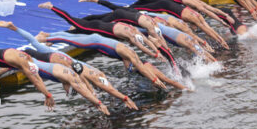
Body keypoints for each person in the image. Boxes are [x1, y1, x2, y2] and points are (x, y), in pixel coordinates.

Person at [0, 20, 139, 110]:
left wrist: (95, 94)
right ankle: (0, 67)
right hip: (57, 61)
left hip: (57, 59)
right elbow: (83, 82)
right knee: (22, 60)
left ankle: (15, 29)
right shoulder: (86, 74)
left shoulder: (88, 71)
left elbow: (83, 79)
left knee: (33, 46)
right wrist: (95, 98)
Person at [39, 31, 189, 90]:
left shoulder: (132, 58)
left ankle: (49, 37)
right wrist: (155, 78)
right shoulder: (138, 62)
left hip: (100, 42)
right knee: (75, 41)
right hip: (98, 42)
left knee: (76, 36)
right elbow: (145, 69)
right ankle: (47, 38)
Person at [38, 2, 162, 59]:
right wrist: (153, 54)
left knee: (79, 30)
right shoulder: (132, 36)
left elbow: (147, 41)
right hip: (97, 27)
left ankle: (48, 37)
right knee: (73, 21)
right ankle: (52, 7)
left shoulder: (135, 30)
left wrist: (156, 51)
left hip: (100, 26)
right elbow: (143, 47)